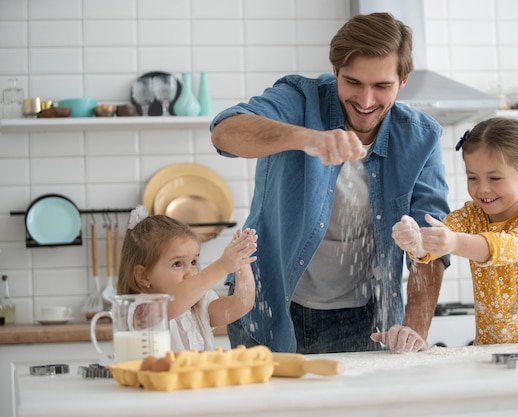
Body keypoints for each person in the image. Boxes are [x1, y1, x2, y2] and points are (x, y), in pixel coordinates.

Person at [209, 12, 450, 354]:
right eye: (353, 82)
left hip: (365, 322)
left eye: (382, 86)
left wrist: (413, 330)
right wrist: (306, 138)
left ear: (403, 80)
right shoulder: (298, 99)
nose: (366, 101)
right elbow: (225, 132)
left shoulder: (421, 138)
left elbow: (431, 246)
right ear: (335, 71)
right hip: (268, 308)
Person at [392, 117, 518, 345]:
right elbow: (440, 238)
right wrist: (417, 243)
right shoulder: (471, 215)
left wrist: (454, 243)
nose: (483, 188)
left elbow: (506, 246)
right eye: (473, 177)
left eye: (494, 178)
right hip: (491, 352)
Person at [117, 205, 258, 351]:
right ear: (143, 276)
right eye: (177, 264)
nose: (190, 273)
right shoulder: (140, 309)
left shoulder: (200, 304)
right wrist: (222, 266)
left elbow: (240, 304)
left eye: (193, 263)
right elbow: (173, 305)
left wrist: (241, 262)